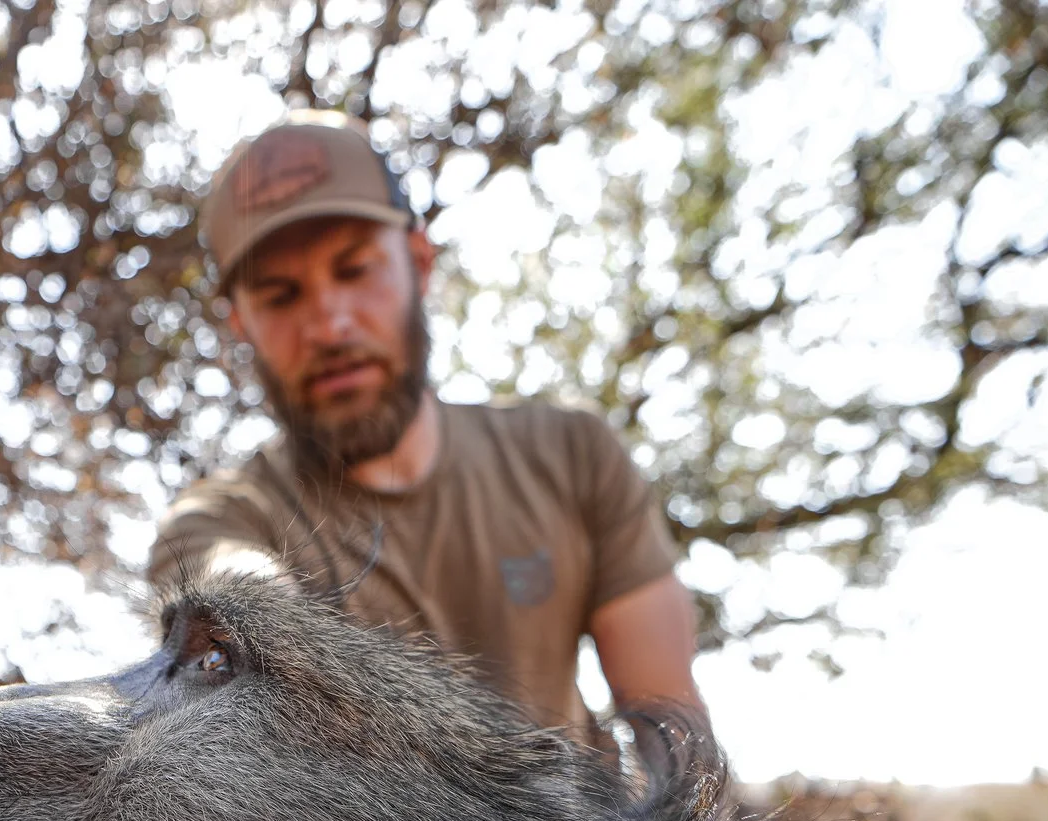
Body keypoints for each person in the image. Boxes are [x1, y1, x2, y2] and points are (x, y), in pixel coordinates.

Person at [151, 111, 706, 753]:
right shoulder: (221, 521)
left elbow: (676, 734)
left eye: (355, 270)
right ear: (241, 325)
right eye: (280, 296)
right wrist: (252, 611)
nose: (330, 326)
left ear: (419, 263)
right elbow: (227, 583)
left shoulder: (574, 454)